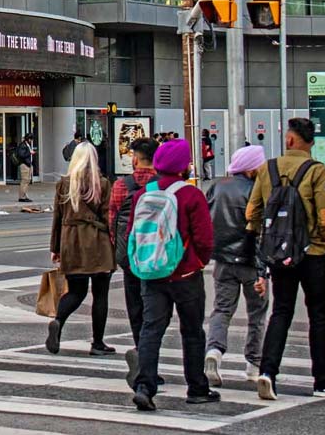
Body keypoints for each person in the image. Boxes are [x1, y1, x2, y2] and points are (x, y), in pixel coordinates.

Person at [246, 117, 325, 400]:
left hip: (279, 252)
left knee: (281, 310)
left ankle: (267, 371)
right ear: (310, 143)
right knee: (318, 314)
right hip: (312, 253)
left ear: (289, 140)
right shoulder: (316, 171)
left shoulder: (268, 168)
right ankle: (323, 380)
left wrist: (263, 240)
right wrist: (324, 238)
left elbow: (252, 214)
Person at [129, 138, 216, 412]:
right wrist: (199, 261)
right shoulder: (191, 195)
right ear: (183, 165)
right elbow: (204, 238)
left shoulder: (143, 194)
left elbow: (132, 231)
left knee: (151, 329)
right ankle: (197, 387)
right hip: (185, 273)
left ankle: (145, 385)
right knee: (192, 330)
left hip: (152, 272)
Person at [204, 144, 269, 387]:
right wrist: (264, 271)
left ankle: (214, 351)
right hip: (251, 261)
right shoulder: (257, 191)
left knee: (221, 309)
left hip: (223, 260)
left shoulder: (217, 187)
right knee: (257, 314)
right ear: (253, 168)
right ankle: (253, 363)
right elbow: (262, 232)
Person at [45, 141, 115, 356]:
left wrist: (55, 246)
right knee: (100, 294)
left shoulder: (64, 184)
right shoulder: (101, 184)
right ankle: (98, 342)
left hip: (70, 240)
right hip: (97, 241)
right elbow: (108, 217)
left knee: (76, 291)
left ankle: (58, 320)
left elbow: (57, 217)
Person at [110, 136, 158, 384]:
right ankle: (151, 361)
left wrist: (117, 249)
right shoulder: (164, 184)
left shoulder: (122, 185)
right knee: (156, 309)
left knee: (135, 307)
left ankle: (141, 348)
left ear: (135, 158)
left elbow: (113, 219)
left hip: (130, 256)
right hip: (158, 257)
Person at [15, 134, 35, 202]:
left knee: (27, 180)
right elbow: (21, 155)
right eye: (31, 139)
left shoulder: (26, 144)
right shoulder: (23, 145)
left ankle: (24, 195)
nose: (31, 141)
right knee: (25, 180)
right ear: (28, 139)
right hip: (24, 165)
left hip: (28, 164)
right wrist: (30, 153)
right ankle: (22, 197)